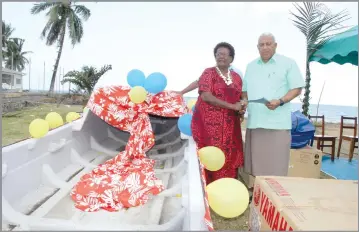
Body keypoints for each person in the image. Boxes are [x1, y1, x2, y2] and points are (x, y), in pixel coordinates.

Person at [241, 33, 305, 191]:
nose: (265, 47)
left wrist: (280, 101)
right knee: (256, 164)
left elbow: (297, 88)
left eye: (268, 44)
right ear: (257, 48)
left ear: (275, 46)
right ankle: (258, 195)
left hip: (278, 123)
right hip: (256, 122)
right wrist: (244, 102)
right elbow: (245, 91)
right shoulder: (251, 66)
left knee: (276, 164)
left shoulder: (288, 63)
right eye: (261, 45)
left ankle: (274, 196)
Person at [191, 42, 245, 184]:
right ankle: (209, 190)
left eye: (224, 54)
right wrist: (232, 106)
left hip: (230, 125)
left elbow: (240, 98)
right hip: (209, 126)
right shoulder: (209, 73)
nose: (220, 56)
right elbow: (206, 96)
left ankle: (227, 187)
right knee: (212, 156)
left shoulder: (237, 77)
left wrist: (241, 108)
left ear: (231, 58)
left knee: (230, 155)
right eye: (218, 54)